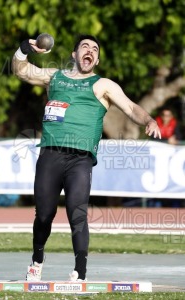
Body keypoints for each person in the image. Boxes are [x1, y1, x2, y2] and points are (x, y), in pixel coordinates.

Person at [12, 34, 161, 282]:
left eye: (94, 48)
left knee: (77, 212)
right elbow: (22, 71)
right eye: (84, 46)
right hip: (51, 154)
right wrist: (24, 48)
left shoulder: (103, 85)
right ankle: (37, 260)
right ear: (75, 55)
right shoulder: (55, 76)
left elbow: (131, 107)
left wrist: (149, 120)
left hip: (80, 159)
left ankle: (80, 272)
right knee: (45, 214)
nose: (89, 50)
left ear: (97, 60)